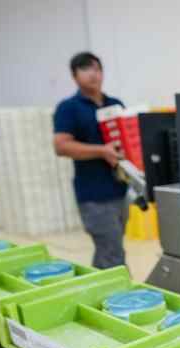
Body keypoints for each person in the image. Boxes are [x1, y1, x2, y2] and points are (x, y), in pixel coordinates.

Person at [53, 52, 128, 268]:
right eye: (85, 69)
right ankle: (121, 289)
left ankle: (96, 284)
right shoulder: (69, 108)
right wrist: (102, 151)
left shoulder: (115, 104)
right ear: (74, 76)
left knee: (109, 249)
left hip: (119, 189)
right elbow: (61, 146)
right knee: (112, 252)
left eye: (97, 68)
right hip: (93, 195)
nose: (93, 74)